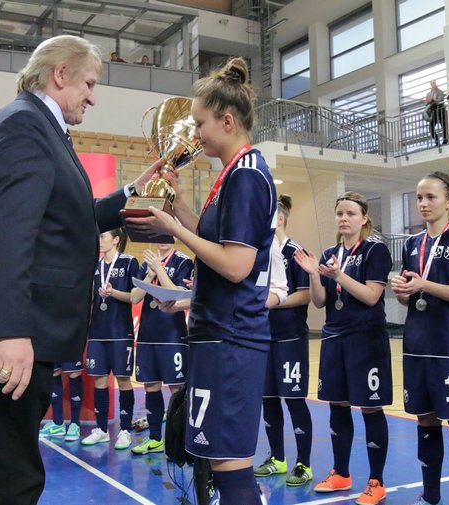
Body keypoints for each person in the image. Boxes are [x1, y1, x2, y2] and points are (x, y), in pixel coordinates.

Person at [0, 34, 159, 504]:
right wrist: (12, 332)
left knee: (4, 469)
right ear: (60, 75)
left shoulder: (35, 125)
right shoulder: (25, 126)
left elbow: (68, 220)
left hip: (19, 331)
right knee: (12, 478)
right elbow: (7, 237)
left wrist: (132, 192)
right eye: (90, 84)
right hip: (12, 336)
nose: (93, 97)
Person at [127, 57, 276, 504]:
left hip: (233, 338)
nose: (195, 134)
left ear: (227, 121)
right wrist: (176, 208)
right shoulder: (231, 174)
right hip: (216, 335)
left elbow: (235, 266)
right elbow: (211, 239)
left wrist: (175, 230)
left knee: (230, 467)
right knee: (215, 461)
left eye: (200, 123)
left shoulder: (247, 175)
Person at [291, 191, 392, 503]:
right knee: (337, 405)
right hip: (334, 338)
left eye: (350, 213)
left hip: (367, 340)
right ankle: (341, 473)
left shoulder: (376, 250)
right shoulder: (329, 254)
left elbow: (371, 296)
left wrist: (338, 274)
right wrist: (314, 274)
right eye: (339, 214)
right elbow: (320, 302)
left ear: (364, 218)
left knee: (370, 407)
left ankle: (376, 481)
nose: (344, 219)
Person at [390, 172, 449, 505]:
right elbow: (411, 295)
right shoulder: (413, 243)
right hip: (416, 346)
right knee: (424, 419)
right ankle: (431, 494)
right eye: (419, 198)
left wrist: (423, 285)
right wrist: (403, 292)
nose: (423, 204)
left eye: (431, 197)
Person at [252, 194, 316, 489]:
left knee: (293, 399)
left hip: (290, 337)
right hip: (264, 337)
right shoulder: (259, 253)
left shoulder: (295, 252)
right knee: (268, 399)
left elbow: (305, 295)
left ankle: (304, 463)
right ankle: (277, 458)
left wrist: (273, 302)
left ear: (279, 219)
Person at [128, 241, 194, 455]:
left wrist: (160, 270)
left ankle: (181, 443)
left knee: (177, 389)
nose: (163, 239)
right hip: (147, 334)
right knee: (151, 387)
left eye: (167, 235)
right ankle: (155, 439)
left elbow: (177, 294)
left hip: (172, 335)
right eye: (158, 235)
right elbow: (135, 297)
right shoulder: (148, 261)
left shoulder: (183, 261)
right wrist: (149, 274)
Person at [80, 229, 140, 449]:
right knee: (99, 380)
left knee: (123, 380)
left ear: (116, 239)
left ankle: (125, 430)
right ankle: (102, 429)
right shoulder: (95, 266)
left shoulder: (128, 262)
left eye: (103, 237)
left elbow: (134, 297)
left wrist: (113, 292)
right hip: (97, 332)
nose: (99, 241)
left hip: (120, 332)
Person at [38, 359, 85, 442]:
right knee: (54, 370)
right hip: (53, 345)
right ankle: (58, 423)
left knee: (74, 371)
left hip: (72, 346)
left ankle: (75, 424)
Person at [425, 80, 447, 146]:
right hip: (433, 112)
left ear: (436, 83)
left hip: (440, 110)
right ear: (430, 85)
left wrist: (433, 100)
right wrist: (428, 102)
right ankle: (437, 141)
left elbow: (441, 99)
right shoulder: (428, 93)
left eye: (434, 83)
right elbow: (427, 102)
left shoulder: (440, 91)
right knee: (431, 128)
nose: (433, 84)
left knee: (443, 126)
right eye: (432, 83)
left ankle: (445, 140)